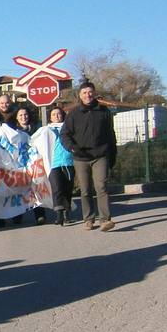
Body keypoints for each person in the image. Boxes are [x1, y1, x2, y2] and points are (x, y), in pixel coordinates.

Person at [60, 81, 117, 231]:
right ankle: (89, 219)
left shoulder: (104, 112)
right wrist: (72, 148)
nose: (87, 95)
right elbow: (65, 134)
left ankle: (105, 220)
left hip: (100, 155)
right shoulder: (73, 114)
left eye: (90, 92)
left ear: (94, 93)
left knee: (102, 187)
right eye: (84, 93)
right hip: (81, 157)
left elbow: (111, 135)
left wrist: (112, 155)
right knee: (85, 190)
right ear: (80, 95)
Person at [11, 105, 45, 225]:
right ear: (16, 117)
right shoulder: (13, 131)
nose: (23, 117)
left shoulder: (37, 129)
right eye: (20, 115)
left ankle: (40, 215)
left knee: (36, 189)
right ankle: (18, 215)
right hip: (19, 165)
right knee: (19, 190)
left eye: (25, 114)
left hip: (35, 164)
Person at [46, 106, 76, 225]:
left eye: (58, 114)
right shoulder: (46, 130)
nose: (57, 116)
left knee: (67, 188)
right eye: (54, 114)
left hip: (68, 162)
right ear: (50, 117)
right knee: (57, 189)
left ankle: (66, 214)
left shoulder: (69, 128)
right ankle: (59, 215)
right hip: (54, 163)